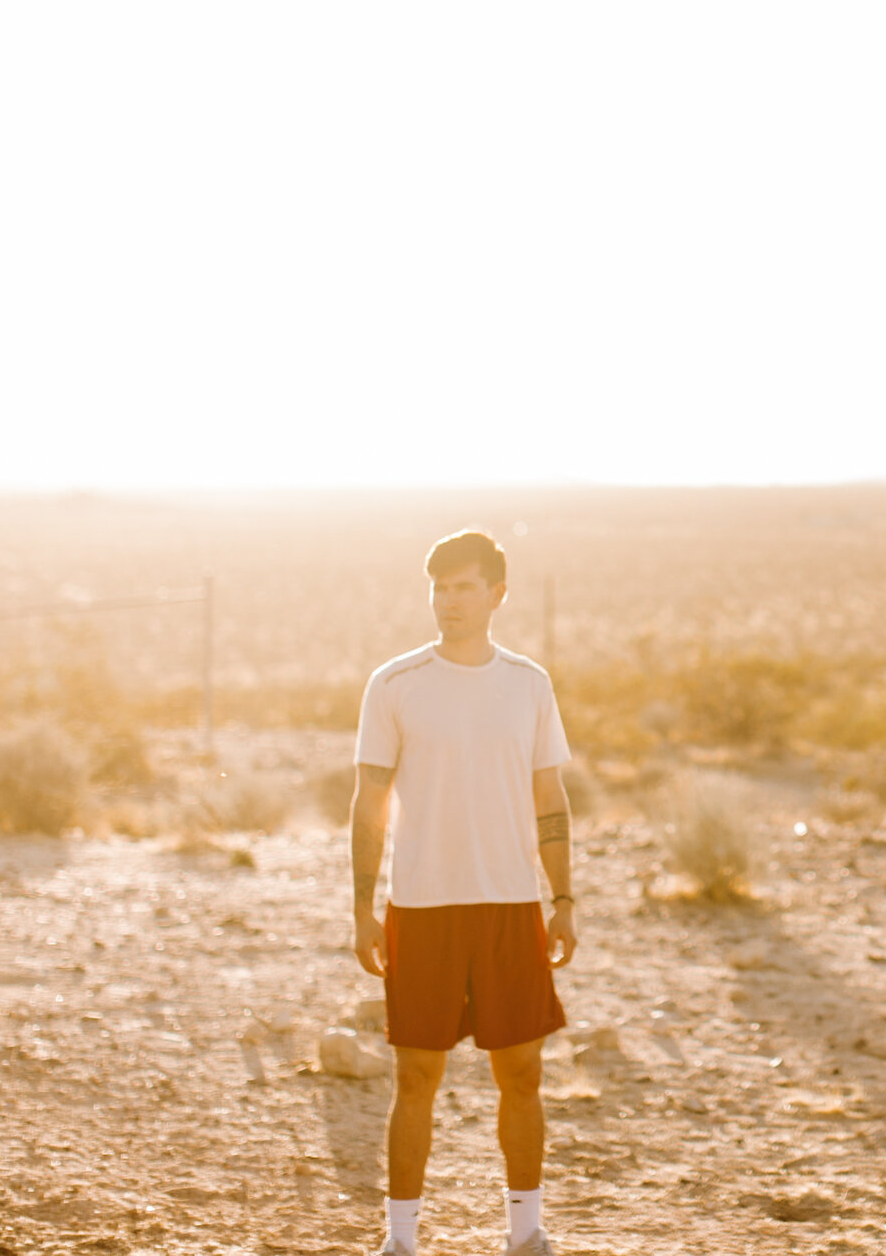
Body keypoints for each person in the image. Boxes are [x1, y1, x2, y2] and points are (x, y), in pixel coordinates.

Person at [351, 529, 578, 1256]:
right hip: (420, 906)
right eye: (439, 587)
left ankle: (525, 1232)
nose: (448, 601)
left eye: (464, 587)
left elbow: (551, 795)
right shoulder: (395, 683)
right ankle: (400, 1241)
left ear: (496, 594)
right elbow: (367, 802)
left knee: (522, 1071)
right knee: (415, 1075)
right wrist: (362, 905)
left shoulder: (528, 684)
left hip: (511, 904)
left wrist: (563, 897)